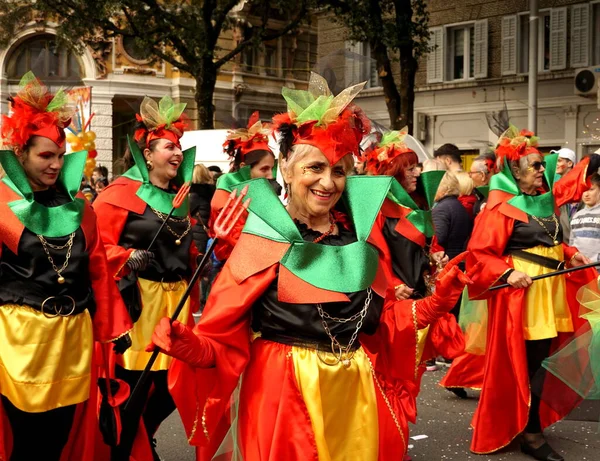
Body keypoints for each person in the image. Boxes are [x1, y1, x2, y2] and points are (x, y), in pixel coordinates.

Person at [148, 74, 476, 461]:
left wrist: (439, 300)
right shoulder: (263, 238)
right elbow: (221, 342)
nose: (328, 181)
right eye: (315, 168)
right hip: (283, 391)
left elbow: (384, 320)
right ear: (286, 167)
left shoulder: (362, 236)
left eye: (338, 171)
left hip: (356, 390)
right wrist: (184, 343)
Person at [0, 72, 132, 460]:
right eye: (45, 156)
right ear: (20, 154)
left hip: (73, 338)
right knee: (27, 441)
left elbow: (98, 272)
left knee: (59, 439)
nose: (56, 164)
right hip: (20, 341)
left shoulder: (82, 210)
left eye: (60, 155)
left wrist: (111, 330)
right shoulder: (2, 207)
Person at [465, 126, 600, 459]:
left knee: (545, 359)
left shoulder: (541, 202)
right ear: (515, 171)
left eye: (542, 164)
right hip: (524, 297)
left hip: (550, 290)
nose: (543, 170)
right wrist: (508, 273)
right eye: (535, 165)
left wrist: (570, 253)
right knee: (533, 364)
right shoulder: (500, 207)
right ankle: (531, 433)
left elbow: (550, 241)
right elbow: (479, 255)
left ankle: (530, 424)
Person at [92, 95, 199, 461]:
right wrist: (126, 256)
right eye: (169, 147)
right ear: (148, 154)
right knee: (139, 384)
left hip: (178, 303)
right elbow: (90, 246)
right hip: (141, 305)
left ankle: (143, 436)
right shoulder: (119, 194)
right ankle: (128, 446)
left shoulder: (178, 197)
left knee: (174, 386)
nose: (177, 154)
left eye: (180, 147)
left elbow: (187, 249)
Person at [209, 111, 277, 261]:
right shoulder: (225, 197)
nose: (271, 176)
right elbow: (240, 243)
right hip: (231, 269)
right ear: (244, 167)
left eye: (271, 169)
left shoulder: (254, 191)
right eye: (264, 169)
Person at [569, 173, 600, 271]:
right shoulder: (577, 215)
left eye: (591, 189)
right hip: (580, 269)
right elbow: (572, 243)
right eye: (584, 190)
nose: (586, 194)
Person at [553, 147, 578, 243]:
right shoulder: (556, 185)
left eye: (559, 161)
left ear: (569, 163)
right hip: (562, 242)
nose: (556, 164)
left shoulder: (579, 185)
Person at [189, 164, 215, 255]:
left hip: (197, 233)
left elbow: (186, 212)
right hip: (207, 231)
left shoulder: (195, 194)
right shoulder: (212, 191)